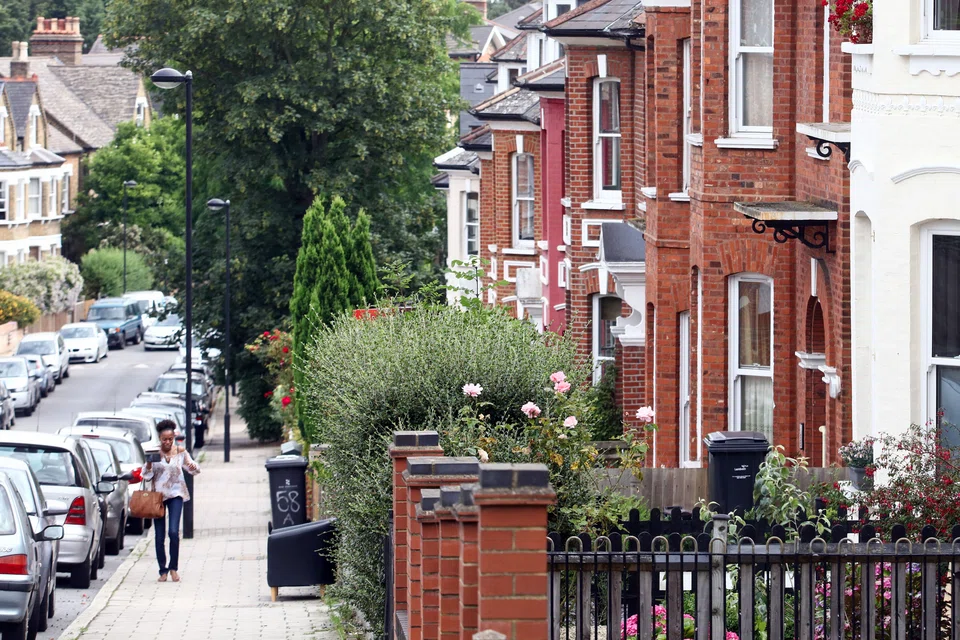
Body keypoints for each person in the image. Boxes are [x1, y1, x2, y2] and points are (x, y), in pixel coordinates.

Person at [143, 419, 200, 582]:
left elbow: (192, 468)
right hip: (158, 498)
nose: (167, 442)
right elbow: (146, 475)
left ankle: (173, 568)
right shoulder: (154, 453)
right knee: (159, 536)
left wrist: (193, 467)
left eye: (170, 439)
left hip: (176, 495)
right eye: (164, 439)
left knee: (173, 532)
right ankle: (163, 570)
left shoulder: (180, 451)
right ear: (160, 439)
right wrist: (149, 463)